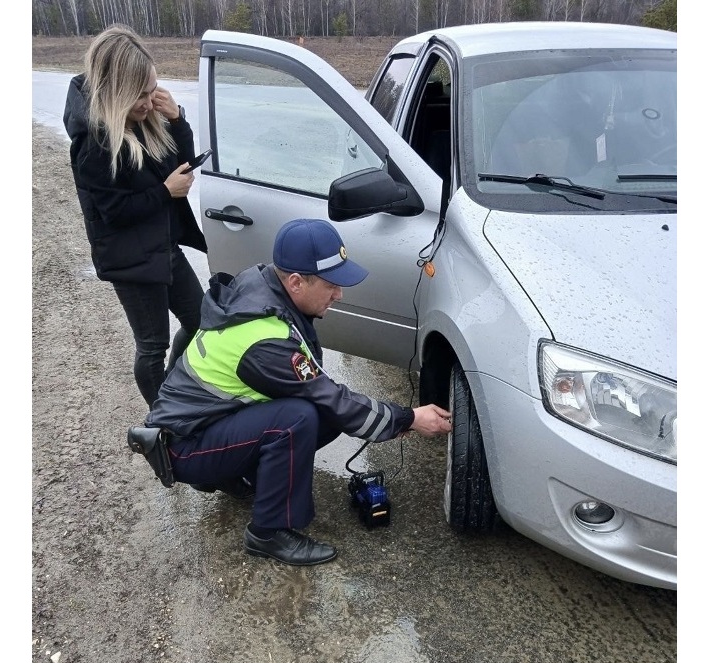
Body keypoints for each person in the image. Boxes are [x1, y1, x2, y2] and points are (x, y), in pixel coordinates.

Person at [142, 218, 453, 566]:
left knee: (320, 410)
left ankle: (239, 474)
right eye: (331, 285)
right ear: (295, 282)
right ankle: (268, 532)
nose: (339, 294)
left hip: (203, 423)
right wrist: (408, 418)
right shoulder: (266, 342)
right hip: (183, 446)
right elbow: (330, 398)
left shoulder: (260, 283)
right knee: (299, 417)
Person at [63, 24, 207, 408]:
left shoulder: (141, 121)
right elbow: (113, 213)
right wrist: (164, 192)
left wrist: (176, 120)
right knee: (152, 346)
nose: (148, 101)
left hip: (162, 246)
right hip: (129, 261)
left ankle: (176, 388)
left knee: (202, 319)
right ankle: (164, 423)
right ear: (117, 90)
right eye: (140, 94)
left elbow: (182, 163)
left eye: (152, 90)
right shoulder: (93, 143)